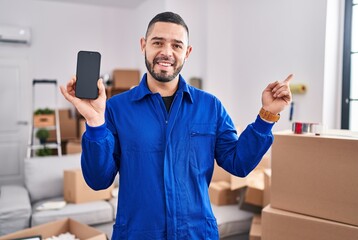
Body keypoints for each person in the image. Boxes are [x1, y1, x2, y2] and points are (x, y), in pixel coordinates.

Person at [60, 11, 292, 240]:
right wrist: (94, 121)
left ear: (187, 52)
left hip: (196, 234)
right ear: (143, 45)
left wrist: (267, 116)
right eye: (158, 42)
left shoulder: (210, 107)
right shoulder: (116, 109)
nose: (166, 52)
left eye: (177, 45)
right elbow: (98, 180)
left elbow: (238, 163)